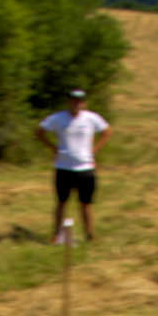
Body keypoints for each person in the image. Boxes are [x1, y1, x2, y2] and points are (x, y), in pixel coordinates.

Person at [35, 89, 111, 242]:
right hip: (63, 167)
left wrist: (95, 149)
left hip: (85, 167)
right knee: (61, 202)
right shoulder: (58, 118)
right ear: (68, 102)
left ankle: (89, 235)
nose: (77, 103)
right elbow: (40, 132)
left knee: (86, 204)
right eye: (74, 100)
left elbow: (107, 131)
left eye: (80, 101)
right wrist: (53, 148)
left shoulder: (91, 118)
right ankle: (57, 235)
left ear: (84, 103)